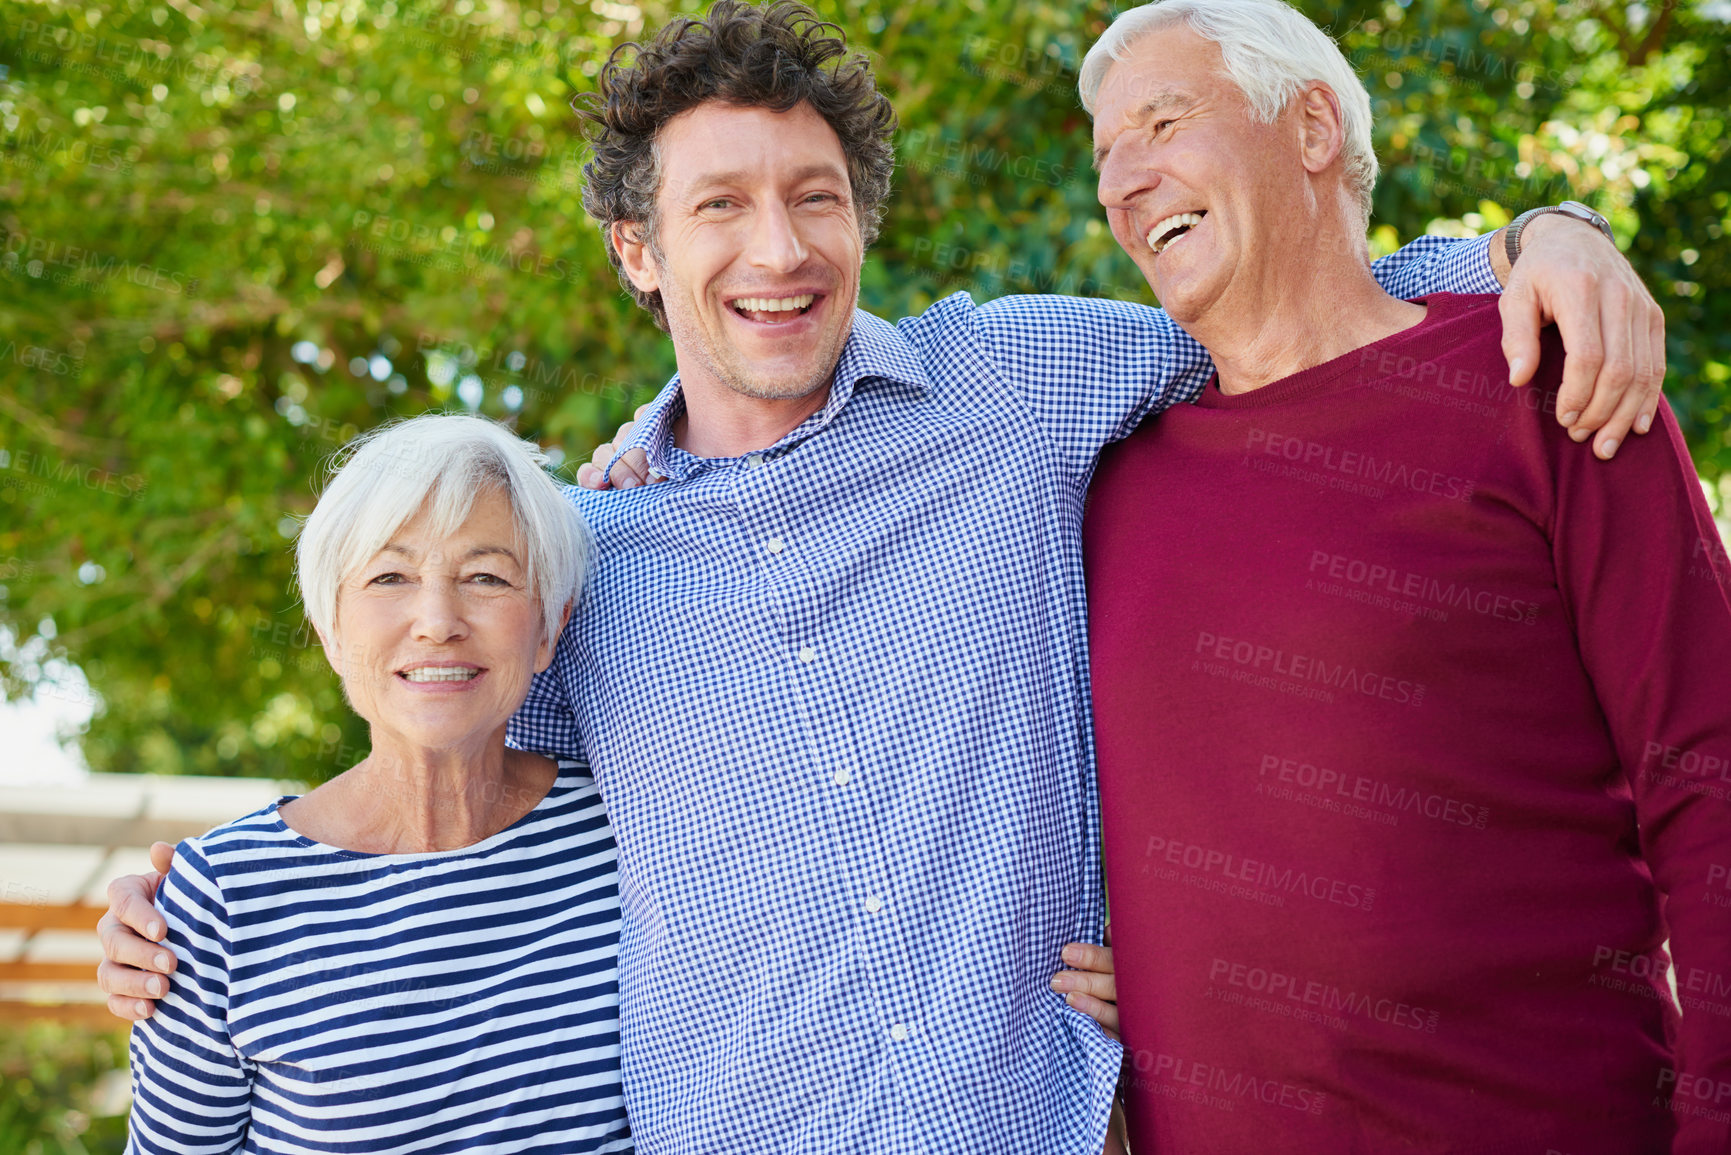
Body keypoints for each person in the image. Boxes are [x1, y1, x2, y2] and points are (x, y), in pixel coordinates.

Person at [98, 4, 1669, 1151]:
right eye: (717, 206)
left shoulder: (1016, 385)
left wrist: (1540, 241)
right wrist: (182, 903)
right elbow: (432, 749)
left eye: (812, 200)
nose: (773, 251)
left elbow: (1290, 296)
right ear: (636, 253)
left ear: (862, 223)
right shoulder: (589, 560)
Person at [1069, 1, 1731, 1151]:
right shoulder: (1103, 480)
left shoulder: (1541, 380)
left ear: (1313, 126)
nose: (1123, 181)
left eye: (1164, 121)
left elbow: (1710, 777)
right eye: (1105, 156)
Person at [124, 415, 628, 1154]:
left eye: (486, 576)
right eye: (389, 576)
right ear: (331, 628)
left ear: (549, 626)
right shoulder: (223, 896)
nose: (436, 621)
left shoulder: (628, 825)